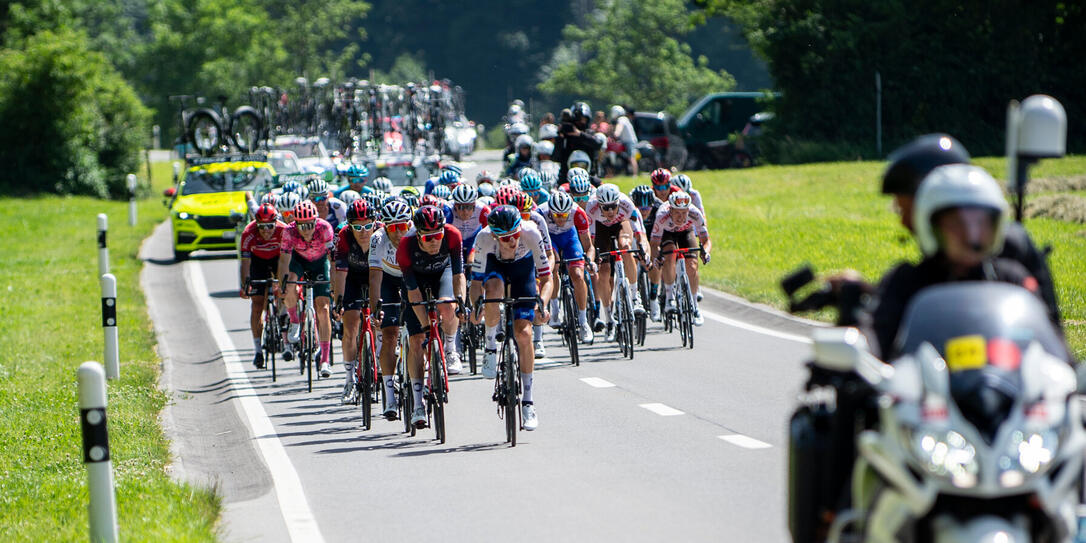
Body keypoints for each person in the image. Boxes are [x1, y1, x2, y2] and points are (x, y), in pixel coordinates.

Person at [879, 133, 1061, 329]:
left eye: (908, 209)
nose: (904, 222)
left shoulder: (1012, 267)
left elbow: (1049, 329)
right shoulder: (911, 276)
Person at [867, 164, 1043, 359]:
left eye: (981, 223)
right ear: (931, 227)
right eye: (957, 224)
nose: (972, 234)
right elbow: (874, 351)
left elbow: (1049, 346)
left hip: (1000, 386)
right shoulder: (905, 282)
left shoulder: (1012, 278)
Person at [470, 205, 552, 431]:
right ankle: (489, 348)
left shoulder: (531, 232)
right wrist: (476, 307)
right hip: (496, 269)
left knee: (524, 334)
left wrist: (543, 303)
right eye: (505, 239)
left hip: (522, 271)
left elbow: (547, 278)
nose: (512, 241)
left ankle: (528, 401)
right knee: (493, 289)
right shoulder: (484, 238)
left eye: (515, 235)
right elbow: (476, 284)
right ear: (495, 235)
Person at [398, 205, 466, 428]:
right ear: (417, 235)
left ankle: (449, 347)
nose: (434, 241)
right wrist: (427, 328)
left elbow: (458, 275)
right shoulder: (405, 247)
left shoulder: (453, 235)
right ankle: (417, 403)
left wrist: (461, 303)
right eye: (428, 238)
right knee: (417, 340)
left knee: (448, 304)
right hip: (417, 281)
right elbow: (413, 293)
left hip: (443, 273)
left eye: (438, 235)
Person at [278, 200, 336, 377]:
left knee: (323, 309)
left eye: (310, 225)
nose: (306, 230)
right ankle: (295, 320)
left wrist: (333, 285)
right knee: (290, 284)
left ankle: (325, 360)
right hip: (299, 261)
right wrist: (283, 285)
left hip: (320, 263)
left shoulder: (325, 228)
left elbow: (332, 259)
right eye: (301, 226)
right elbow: (284, 260)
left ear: (316, 221)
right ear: (295, 223)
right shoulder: (289, 231)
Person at [368, 200, 413, 419]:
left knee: (418, 333)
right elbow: (375, 277)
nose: (398, 232)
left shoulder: (416, 233)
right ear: (385, 226)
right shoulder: (377, 238)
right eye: (393, 227)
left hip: (410, 276)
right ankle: (389, 395)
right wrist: (376, 307)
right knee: (389, 334)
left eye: (402, 226)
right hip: (387, 279)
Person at [586, 184, 646, 339]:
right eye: (606, 208)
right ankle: (608, 317)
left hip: (621, 225)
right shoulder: (591, 209)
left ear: (618, 202)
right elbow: (591, 242)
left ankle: (634, 295)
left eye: (613, 206)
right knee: (604, 270)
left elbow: (641, 236)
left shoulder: (627, 204)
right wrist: (592, 261)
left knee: (626, 247)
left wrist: (644, 253)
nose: (611, 211)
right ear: (599, 205)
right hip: (600, 229)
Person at [332, 200, 378, 404]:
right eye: (357, 227)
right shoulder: (343, 237)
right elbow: (340, 273)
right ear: (350, 226)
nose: (363, 231)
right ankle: (349, 378)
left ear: (375, 223)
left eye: (367, 225)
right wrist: (338, 301)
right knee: (350, 326)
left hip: (378, 276)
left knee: (382, 323)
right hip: (351, 278)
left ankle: (379, 368)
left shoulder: (381, 235)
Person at [649, 191, 711, 327]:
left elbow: (706, 240)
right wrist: (657, 256)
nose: (680, 217)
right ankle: (670, 297)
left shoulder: (695, 214)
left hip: (686, 232)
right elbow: (654, 244)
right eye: (677, 212)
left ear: (689, 210)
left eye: (684, 213)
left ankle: (695, 307)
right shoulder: (662, 215)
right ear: (670, 209)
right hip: (667, 233)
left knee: (693, 265)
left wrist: (705, 252)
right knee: (669, 256)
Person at [540, 190, 595, 342]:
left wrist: (590, 261)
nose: (561, 219)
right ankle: (555, 308)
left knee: (577, 274)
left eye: (564, 215)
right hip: (550, 239)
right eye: (557, 215)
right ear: (550, 211)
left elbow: (588, 246)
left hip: (570, 238)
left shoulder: (578, 212)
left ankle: (583, 322)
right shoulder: (540, 212)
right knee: (554, 265)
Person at [239, 203, 287, 368]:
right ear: (256, 223)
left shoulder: (284, 231)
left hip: (278, 260)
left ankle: (283, 314)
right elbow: (245, 263)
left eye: (269, 226)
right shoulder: (248, 233)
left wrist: (282, 283)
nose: (266, 230)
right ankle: (258, 350)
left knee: (283, 291)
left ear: (276, 222)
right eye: (261, 226)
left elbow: (287, 261)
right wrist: (246, 285)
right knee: (257, 304)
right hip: (257, 263)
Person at [630, 184, 663, 321]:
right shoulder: (629, 209)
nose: (644, 212)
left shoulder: (659, 208)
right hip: (635, 234)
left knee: (656, 256)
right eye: (640, 209)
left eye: (647, 208)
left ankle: (654, 297)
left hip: (653, 235)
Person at [555, 101, 603, 183]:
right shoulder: (565, 136)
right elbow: (556, 157)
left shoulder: (589, 134)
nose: (581, 122)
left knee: (598, 183)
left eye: (584, 119)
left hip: (588, 175)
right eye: (578, 120)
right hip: (567, 176)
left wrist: (579, 134)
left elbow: (598, 143)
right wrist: (560, 138)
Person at [610, 105, 639, 176]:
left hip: (630, 141)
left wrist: (616, 134)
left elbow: (619, 128)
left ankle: (635, 174)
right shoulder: (624, 119)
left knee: (631, 157)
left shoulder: (622, 119)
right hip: (626, 141)